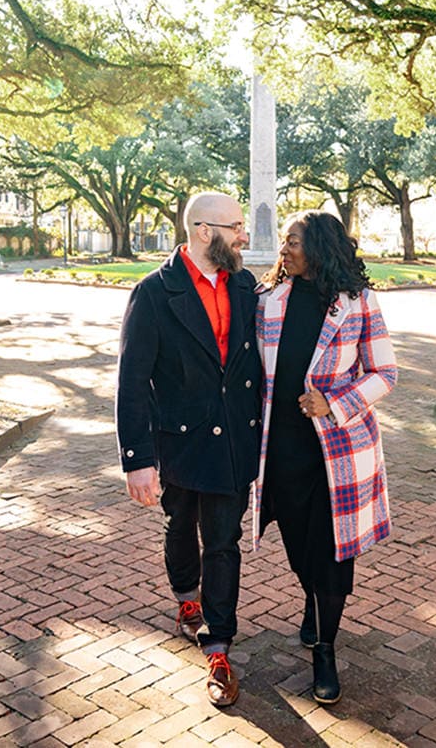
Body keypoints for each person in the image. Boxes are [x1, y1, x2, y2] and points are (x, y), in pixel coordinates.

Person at [114, 192, 263, 708]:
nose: (244, 235)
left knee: (223, 543)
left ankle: (219, 647)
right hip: (178, 443)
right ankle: (186, 599)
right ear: (204, 231)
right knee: (180, 528)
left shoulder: (245, 285)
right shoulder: (154, 293)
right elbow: (131, 382)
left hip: (232, 445)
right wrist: (137, 460)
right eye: (236, 227)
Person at [252, 210, 398, 705]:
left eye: (293, 241)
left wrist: (334, 404)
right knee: (299, 548)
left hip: (338, 451)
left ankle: (326, 650)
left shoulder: (357, 303)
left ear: (318, 247)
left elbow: (385, 373)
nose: (284, 250)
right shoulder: (268, 300)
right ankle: (312, 606)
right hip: (283, 449)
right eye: (285, 242)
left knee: (333, 555)